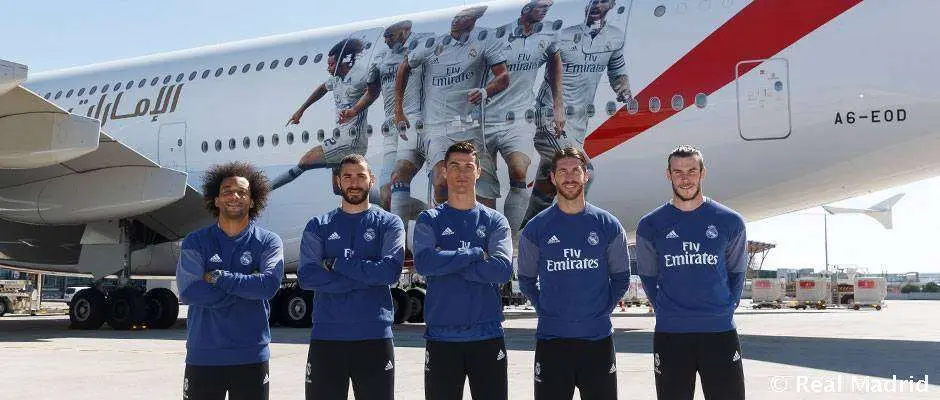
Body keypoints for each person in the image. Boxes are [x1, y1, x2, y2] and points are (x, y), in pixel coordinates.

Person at [635, 145, 747, 400]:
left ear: (702, 173)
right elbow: (649, 276)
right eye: (678, 172)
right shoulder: (650, 224)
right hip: (671, 334)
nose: (685, 178)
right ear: (668, 175)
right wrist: (666, 309)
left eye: (691, 171)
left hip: (719, 332)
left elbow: (737, 270)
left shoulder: (730, 221)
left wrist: (726, 306)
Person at [517, 147, 630, 399]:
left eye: (575, 170)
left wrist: (602, 308)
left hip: (597, 342)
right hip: (552, 342)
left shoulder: (607, 224)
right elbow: (525, 279)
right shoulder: (536, 229)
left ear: (585, 175)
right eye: (563, 171)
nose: (569, 177)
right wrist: (545, 308)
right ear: (553, 178)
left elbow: (621, 277)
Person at [297, 154, 405, 400]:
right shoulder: (318, 225)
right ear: (338, 182)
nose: (354, 183)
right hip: (327, 338)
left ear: (372, 180)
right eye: (347, 177)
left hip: (374, 338)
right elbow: (308, 277)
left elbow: (389, 272)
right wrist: (368, 275)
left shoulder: (389, 223)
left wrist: (336, 264)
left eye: (360, 176)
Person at [412, 141, 513, 400]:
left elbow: (501, 270)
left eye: (469, 166)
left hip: (487, 337)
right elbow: (423, 263)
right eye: (454, 166)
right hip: (442, 339)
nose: (461, 173)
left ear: (479, 172)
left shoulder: (495, 220)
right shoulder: (429, 219)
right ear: (444, 171)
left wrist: (447, 264)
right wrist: (474, 254)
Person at [176, 161, 284, 400]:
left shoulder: (269, 242)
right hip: (203, 356)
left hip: (251, 357)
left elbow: (268, 286)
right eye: (226, 191)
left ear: (253, 201)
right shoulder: (196, 241)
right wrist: (247, 287)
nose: (234, 196)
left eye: (242, 193)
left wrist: (218, 277)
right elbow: (190, 291)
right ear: (216, 200)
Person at [523, 0, 633, 226]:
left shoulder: (614, 37)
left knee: (547, 181)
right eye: (592, 2)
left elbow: (617, 70)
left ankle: (528, 229)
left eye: (602, 2)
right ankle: (568, 229)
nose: (595, 6)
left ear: (611, 6)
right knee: (581, 170)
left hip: (578, 123)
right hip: (551, 118)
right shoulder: (563, 36)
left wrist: (625, 92)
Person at [395, 6, 510, 206]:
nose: (456, 21)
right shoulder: (434, 44)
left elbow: (503, 77)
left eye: (463, 18)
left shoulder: (483, 41)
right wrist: (399, 110)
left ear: (474, 21)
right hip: (438, 127)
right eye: (456, 17)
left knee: (485, 196)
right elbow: (404, 67)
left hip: (471, 127)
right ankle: (441, 223)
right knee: (441, 181)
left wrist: (485, 92)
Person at [478, 0, 564, 240]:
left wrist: (558, 103)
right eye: (541, 9)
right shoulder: (498, 35)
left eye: (547, 10)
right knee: (484, 188)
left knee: (518, 169)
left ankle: (516, 241)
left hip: (520, 116)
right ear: (526, 10)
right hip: (485, 118)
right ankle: (491, 243)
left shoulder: (546, 36)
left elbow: (555, 59)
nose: (545, 13)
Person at [273, 38, 380, 190]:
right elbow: (321, 89)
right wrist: (301, 110)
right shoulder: (336, 80)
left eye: (331, 64)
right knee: (338, 189)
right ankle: (386, 202)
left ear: (344, 62)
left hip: (352, 141)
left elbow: (373, 92)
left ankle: (265, 188)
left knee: (305, 161)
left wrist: (355, 110)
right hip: (341, 138)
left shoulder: (359, 77)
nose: (328, 68)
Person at [363, 20, 432, 215]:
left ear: (405, 32)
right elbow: (371, 91)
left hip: (413, 123)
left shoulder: (420, 46)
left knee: (399, 180)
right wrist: (352, 111)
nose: (386, 41)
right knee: (387, 196)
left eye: (390, 36)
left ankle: (433, 219)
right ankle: (431, 214)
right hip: (391, 128)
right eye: (384, 37)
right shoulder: (381, 58)